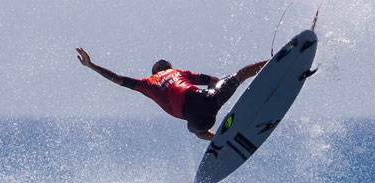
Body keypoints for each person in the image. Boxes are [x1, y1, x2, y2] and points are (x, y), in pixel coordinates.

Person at [76, 48, 268, 141]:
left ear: (154, 72)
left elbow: (118, 78)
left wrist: (91, 65)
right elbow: (213, 80)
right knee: (240, 75)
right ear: (169, 68)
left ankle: (218, 138)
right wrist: (218, 97)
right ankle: (270, 61)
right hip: (204, 100)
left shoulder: (148, 83)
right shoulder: (178, 72)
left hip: (196, 120)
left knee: (197, 132)